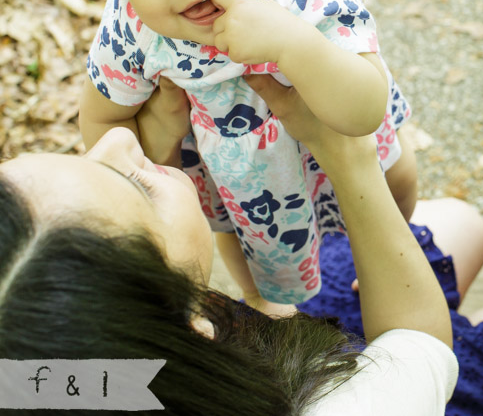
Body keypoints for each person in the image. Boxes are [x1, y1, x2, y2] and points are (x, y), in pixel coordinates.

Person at [55, 0, 416, 309]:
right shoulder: (133, 25)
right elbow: (102, 123)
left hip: (343, 132)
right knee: (235, 235)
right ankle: (261, 299)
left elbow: (365, 109)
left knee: (399, 179)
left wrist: (291, 40)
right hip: (246, 186)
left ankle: (393, 249)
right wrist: (151, 155)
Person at [0, 74, 454, 416]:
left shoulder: (45, 381)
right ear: (197, 330)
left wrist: (158, 165)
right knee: (459, 223)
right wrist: (342, 148)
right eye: (136, 185)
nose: (117, 137)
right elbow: (418, 342)